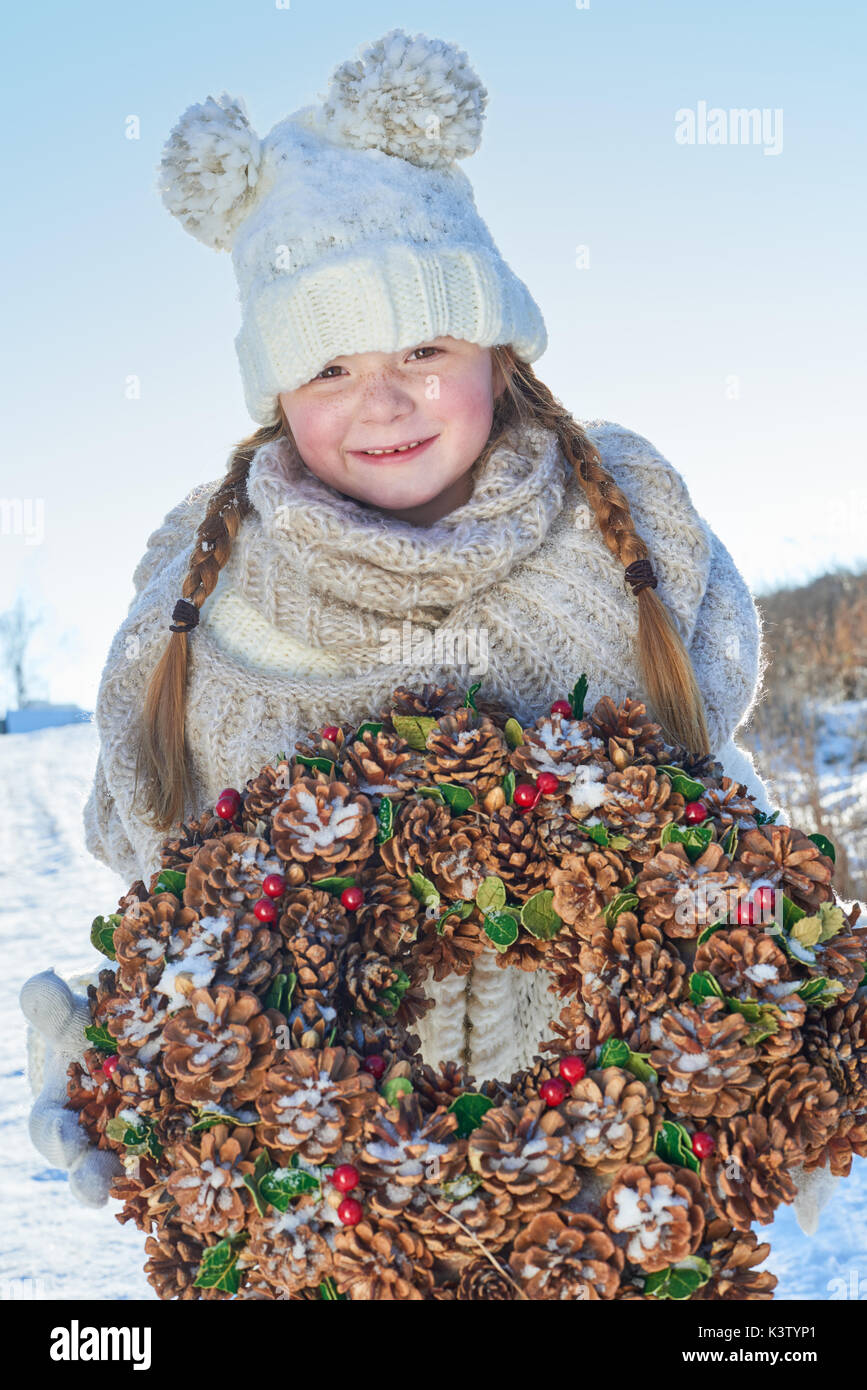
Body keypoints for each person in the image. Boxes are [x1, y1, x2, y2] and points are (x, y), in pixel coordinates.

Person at [21, 27, 835, 1235]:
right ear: (275, 394)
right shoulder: (214, 610)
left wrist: (794, 1013)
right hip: (326, 1214)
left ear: (497, 352)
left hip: (608, 1194)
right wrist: (129, 1065)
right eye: (329, 364)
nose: (384, 400)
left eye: (424, 347)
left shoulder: (620, 544)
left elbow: (703, 825)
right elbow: (194, 910)